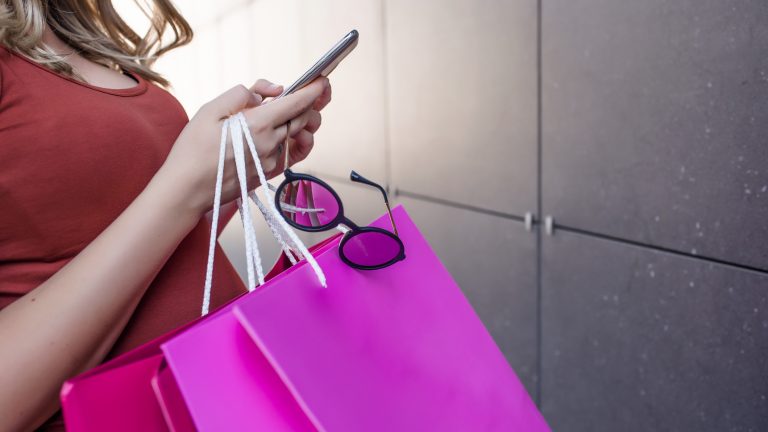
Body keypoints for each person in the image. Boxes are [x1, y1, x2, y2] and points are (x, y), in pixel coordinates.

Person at [0, 1, 332, 430]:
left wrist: (229, 172)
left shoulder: (73, 36)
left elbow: (118, 241)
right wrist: (186, 185)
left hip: (224, 404)